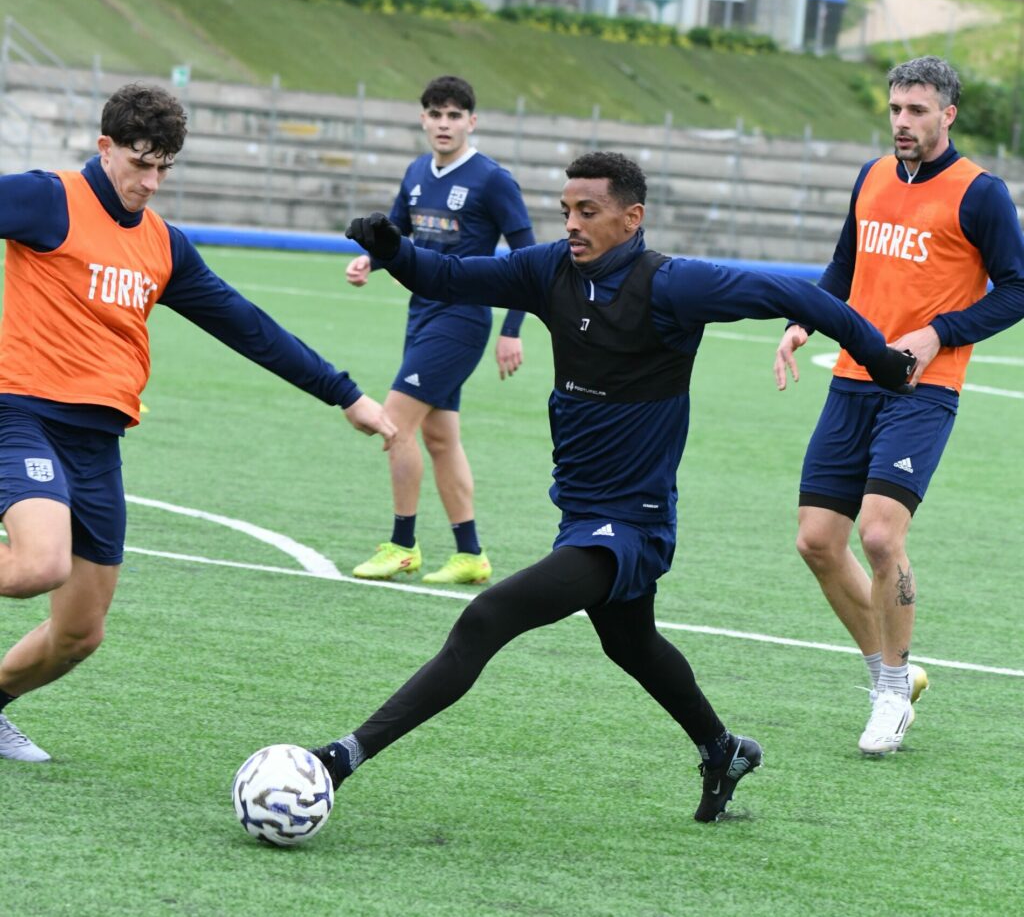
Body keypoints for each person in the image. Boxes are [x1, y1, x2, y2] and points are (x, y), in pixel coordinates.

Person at [308, 151, 915, 823]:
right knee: (629, 641)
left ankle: (339, 760)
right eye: (566, 210)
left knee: (486, 618)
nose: (571, 223)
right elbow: (448, 276)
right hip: (581, 508)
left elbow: (799, 296)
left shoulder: (673, 286)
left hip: (634, 521)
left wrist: (881, 359)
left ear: (632, 218)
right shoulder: (548, 271)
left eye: (588, 211)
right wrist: (393, 248)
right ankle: (722, 750)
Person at [0, 83, 396, 763]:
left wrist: (345, 394)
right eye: (139, 164)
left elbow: (248, 327)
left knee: (80, 634)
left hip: (97, 442)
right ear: (105, 148)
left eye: (164, 168)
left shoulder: (163, 245)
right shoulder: (48, 198)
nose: (151, 182)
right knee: (40, 563)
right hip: (22, 414)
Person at [774, 56, 1024, 755]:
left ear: (948, 114)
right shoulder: (872, 176)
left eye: (917, 110)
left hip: (923, 390)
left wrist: (939, 333)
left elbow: (1016, 289)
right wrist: (804, 320)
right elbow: (844, 267)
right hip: (852, 379)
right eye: (895, 109)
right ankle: (892, 675)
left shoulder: (981, 193)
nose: (903, 122)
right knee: (816, 542)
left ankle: (889, 695)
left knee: (881, 538)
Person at [346, 76, 535, 586]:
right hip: (422, 315)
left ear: (472, 122)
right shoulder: (415, 172)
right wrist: (371, 260)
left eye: (454, 115)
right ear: (423, 119)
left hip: (462, 318)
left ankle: (402, 546)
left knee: (394, 423)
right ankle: (470, 555)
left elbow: (528, 258)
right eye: (435, 114)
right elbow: (396, 235)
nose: (444, 124)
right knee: (439, 438)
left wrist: (512, 329)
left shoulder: (492, 180)